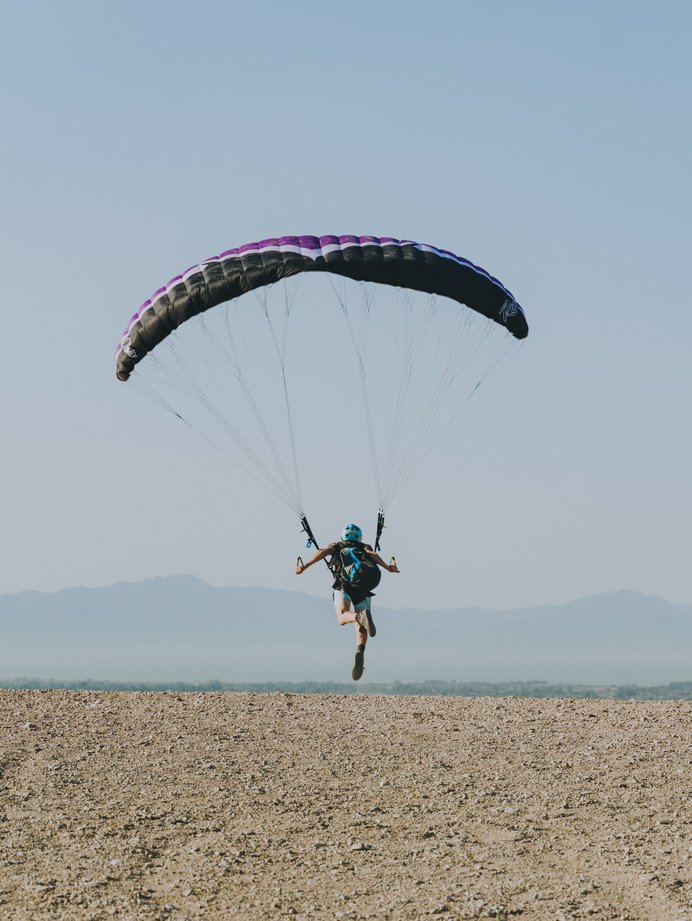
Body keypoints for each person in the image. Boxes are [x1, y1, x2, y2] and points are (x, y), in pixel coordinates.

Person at [295, 523, 399, 680]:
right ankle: (360, 650)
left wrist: (306, 566)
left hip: (344, 584)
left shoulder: (337, 546)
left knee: (343, 616)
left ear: (343, 535)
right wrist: (387, 567)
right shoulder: (365, 547)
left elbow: (323, 552)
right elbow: (373, 555)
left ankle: (358, 616)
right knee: (362, 626)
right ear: (360, 537)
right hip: (364, 587)